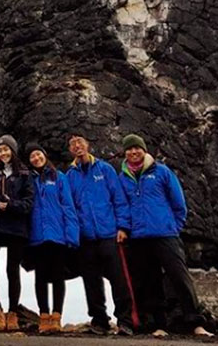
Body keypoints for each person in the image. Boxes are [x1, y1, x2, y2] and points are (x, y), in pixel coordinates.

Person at [118, 134, 213, 337]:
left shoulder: (161, 171)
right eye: (129, 149)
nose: (134, 152)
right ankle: (160, 325)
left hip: (166, 234)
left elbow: (179, 203)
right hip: (139, 238)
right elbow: (123, 206)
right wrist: (125, 228)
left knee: (179, 277)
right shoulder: (122, 177)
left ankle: (196, 323)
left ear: (144, 150)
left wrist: (173, 226)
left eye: (137, 148)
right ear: (125, 153)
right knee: (151, 282)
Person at [66, 132, 134, 335]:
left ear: (87, 145)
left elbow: (119, 199)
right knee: (91, 280)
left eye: (80, 142)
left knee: (118, 279)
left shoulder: (105, 169)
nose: (77, 146)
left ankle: (125, 321)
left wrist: (122, 227)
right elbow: (69, 208)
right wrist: (74, 235)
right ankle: (99, 320)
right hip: (85, 237)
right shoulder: (70, 176)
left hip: (109, 234)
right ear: (70, 150)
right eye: (73, 144)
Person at [0, 135, 34, 331]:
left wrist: (11, 205)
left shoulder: (25, 174)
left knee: (12, 270)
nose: (3, 153)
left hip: (16, 227)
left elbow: (29, 202)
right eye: (0, 150)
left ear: (13, 150)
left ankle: (12, 313)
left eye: (6, 149)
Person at [26, 143, 79, 334]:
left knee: (58, 276)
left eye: (38, 154)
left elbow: (68, 207)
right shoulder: (27, 179)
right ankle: (44, 317)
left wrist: (72, 235)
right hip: (37, 236)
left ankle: (56, 317)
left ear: (45, 154)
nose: (36, 158)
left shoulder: (59, 177)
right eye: (32, 156)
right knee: (40, 277)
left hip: (57, 235)